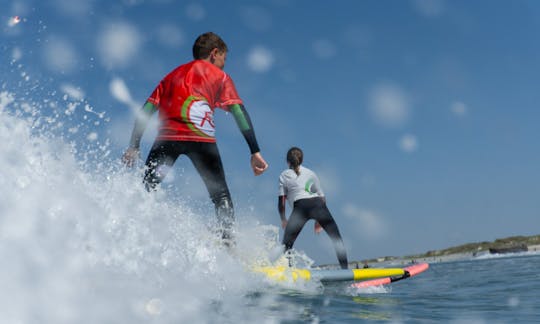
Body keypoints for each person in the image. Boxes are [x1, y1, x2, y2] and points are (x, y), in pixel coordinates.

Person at [122, 32, 268, 245]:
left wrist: (133, 146)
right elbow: (238, 112)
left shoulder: (170, 76)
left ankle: (130, 242)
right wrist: (254, 150)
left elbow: (146, 110)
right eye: (223, 59)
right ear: (214, 53)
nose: (223, 65)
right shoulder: (221, 77)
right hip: (202, 143)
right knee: (221, 197)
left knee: (147, 189)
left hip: (168, 142)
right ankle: (229, 250)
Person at [278, 147, 348, 269]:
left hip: (301, 208)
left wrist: (283, 219)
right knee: (337, 239)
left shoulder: (284, 175)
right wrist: (318, 220)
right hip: (319, 206)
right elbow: (322, 198)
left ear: (287, 161)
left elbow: (281, 201)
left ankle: (288, 273)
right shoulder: (311, 173)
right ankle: (346, 271)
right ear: (302, 159)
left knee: (286, 245)